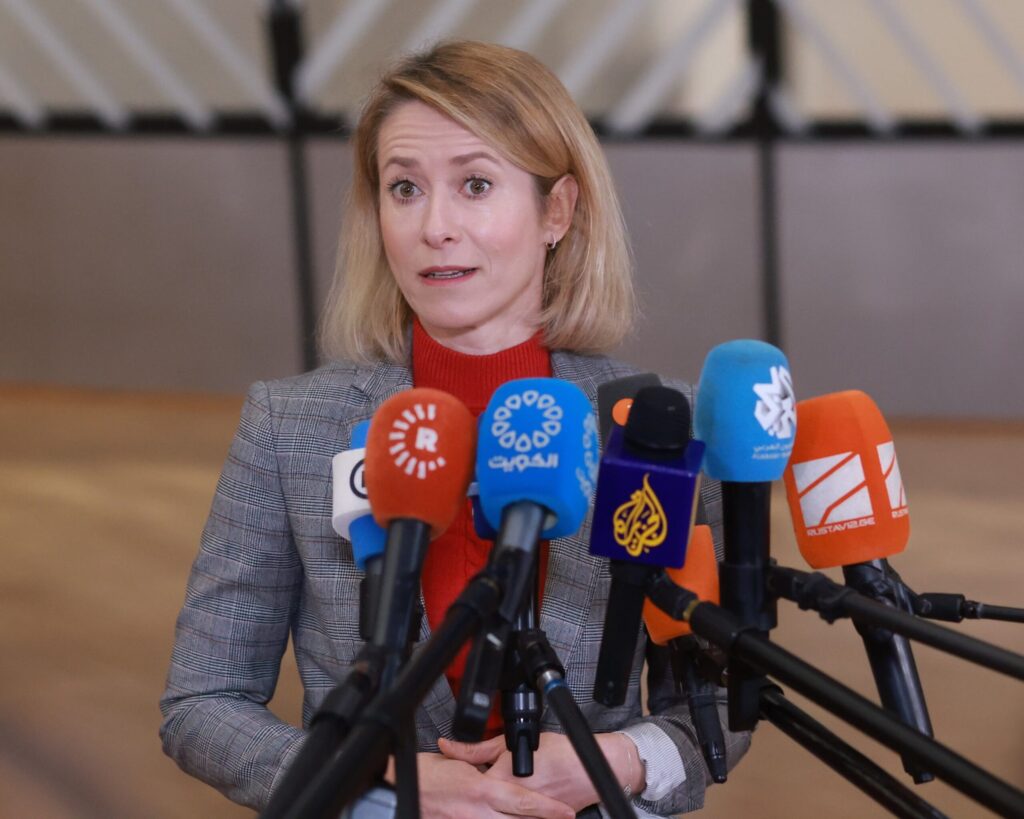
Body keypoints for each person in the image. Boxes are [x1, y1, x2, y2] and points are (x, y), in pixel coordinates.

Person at [160, 40, 749, 818]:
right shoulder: (289, 425)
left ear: (557, 210)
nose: (434, 226)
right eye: (404, 188)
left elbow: (719, 701)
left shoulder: (652, 426)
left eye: (475, 184)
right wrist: (379, 770)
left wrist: (616, 759)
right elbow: (203, 700)